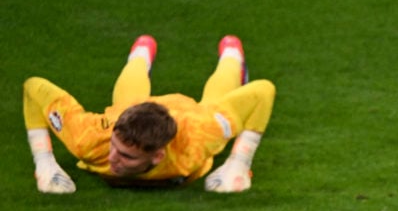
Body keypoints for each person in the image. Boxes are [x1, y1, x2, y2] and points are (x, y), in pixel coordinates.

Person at [22, 34, 275, 193]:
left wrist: (239, 163)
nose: (113, 159)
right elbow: (34, 87)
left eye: (127, 156)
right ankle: (141, 52)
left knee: (214, 102)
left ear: (157, 156)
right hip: (131, 111)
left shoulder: (197, 138)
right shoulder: (89, 137)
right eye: (115, 147)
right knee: (127, 103)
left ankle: (232, 53)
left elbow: (263, 92)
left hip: (190, 114)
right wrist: (44, 163)